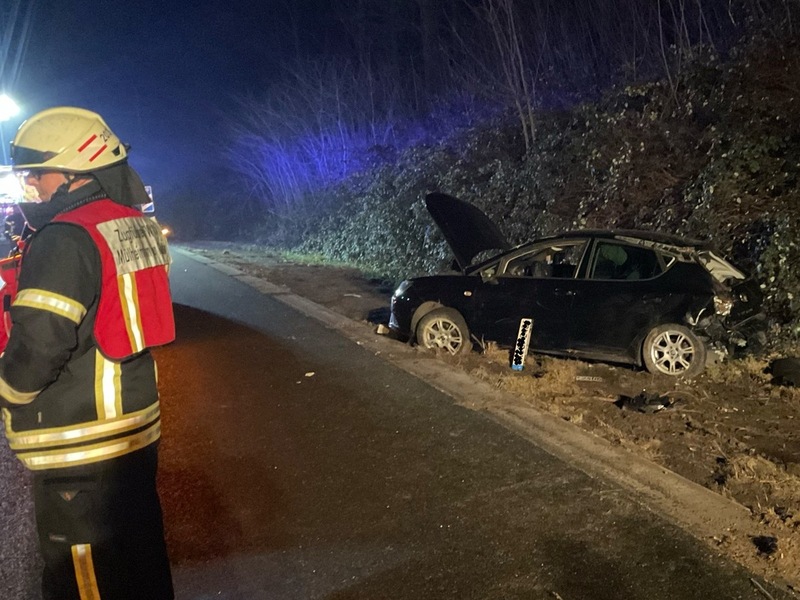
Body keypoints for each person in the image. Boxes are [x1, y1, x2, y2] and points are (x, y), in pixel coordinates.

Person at [0, 107, 176, 600]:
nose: (30, 183)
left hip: (80, 441)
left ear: (76, 171)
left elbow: (39, 345)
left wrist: (9, 392)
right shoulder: (129, 225)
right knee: (138, 562)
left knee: (84, 577)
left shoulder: (64, 237)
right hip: (133, 427)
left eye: (38, 171)